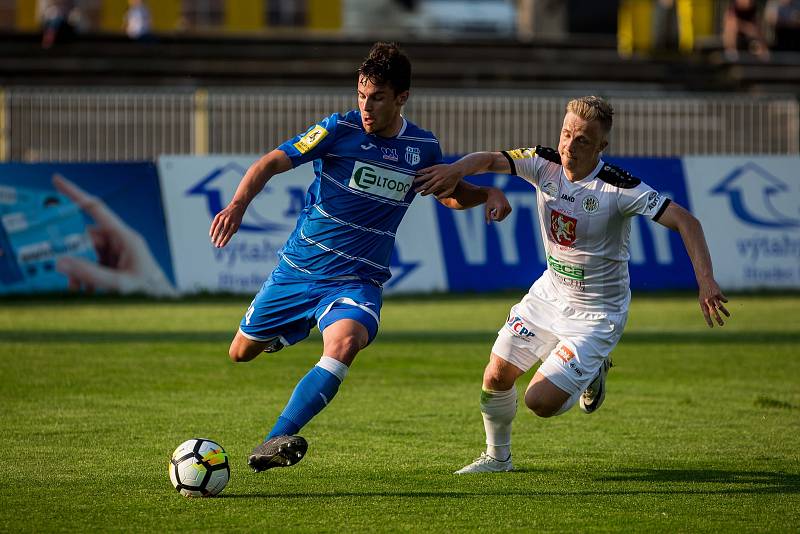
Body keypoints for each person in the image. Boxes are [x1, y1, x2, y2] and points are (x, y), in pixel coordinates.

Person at [209, 42, 511, 472]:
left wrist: (487, 194)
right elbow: (271, 162)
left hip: (357, 280)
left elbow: (449, 195)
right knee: (240, 353)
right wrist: (238, 205)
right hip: (300, 269)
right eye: (361, 95)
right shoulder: (338, 130)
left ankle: (275, 438)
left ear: (401, 98)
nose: (366, 106)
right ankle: (293, 328)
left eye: (377, 97)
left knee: (345, 342)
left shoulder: (421, 147)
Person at [413, 96, 730, 474]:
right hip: (550, 293)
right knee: (495, 375)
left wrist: (706, 279)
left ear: (601, 146)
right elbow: (489, 159)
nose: (569, 146)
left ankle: (592, 372)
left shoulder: (618, 188)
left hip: (597, 314)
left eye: (582, 140)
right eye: (566, 134)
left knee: (539, 402)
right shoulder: (543, 162)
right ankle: (498, 459)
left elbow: (686, 221)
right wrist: (455, 170)